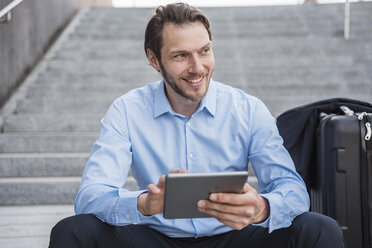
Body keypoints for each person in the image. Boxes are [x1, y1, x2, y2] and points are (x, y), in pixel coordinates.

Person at [49, 3, 345, 247]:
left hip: (234, 238)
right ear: (154, 60)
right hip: (155, 238)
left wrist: (262, 208)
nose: (198, 67)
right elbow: (91, 196)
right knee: (72, 231)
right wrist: (143, 204)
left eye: (204, 51)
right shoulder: (126, 111)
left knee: (319, 229)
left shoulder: (248, 109)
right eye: (181, 56)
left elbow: (292, 190)